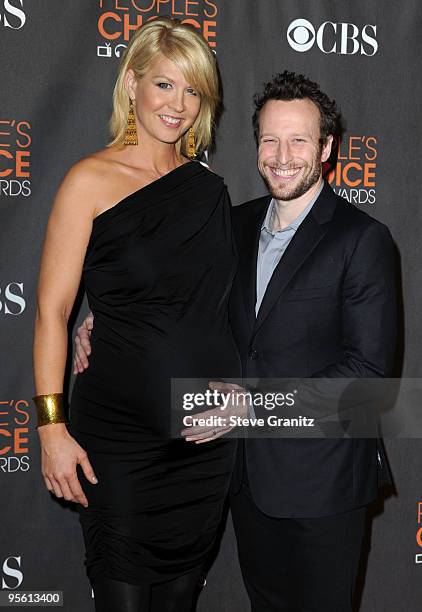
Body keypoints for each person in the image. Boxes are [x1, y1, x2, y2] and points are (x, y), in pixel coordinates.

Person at [75, 71, 397, 611]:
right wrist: (100, 319)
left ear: (327, 148)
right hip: (244, 484)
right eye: (269, 139)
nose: (282, 155)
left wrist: (250, 406)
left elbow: (367, 380)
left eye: (299, 140)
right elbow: (172, 295)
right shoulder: (232, 223)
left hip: (322, 484)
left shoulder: (362, 239)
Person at [33, 17, 242, 612]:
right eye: (165, 85)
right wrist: (51, 428)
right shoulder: (88, 181)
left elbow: (222, 309)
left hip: (203, 443)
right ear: (131, 84)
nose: (179, 105)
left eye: (193, 90)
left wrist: (243, 391)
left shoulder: (208, 191)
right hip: (118, 445)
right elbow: (50, 313)